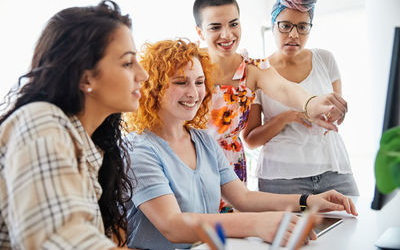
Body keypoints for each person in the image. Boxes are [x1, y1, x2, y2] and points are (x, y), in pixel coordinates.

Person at [124, 39, 357, 250]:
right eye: (181, 82)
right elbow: (172, 226)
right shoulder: (138, 149)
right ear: (152, 87)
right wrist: (255, 224)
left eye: (199, 81)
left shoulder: (203, 140)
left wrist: (307, 201)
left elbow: (243, 199)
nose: (194, 92)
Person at [0, 0, 148, 249]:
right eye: (127, 63)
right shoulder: (41, 122)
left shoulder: (89, 144)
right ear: (85, 77)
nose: (143, 75)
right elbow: (59, 238)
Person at [193, 0, 348, 212]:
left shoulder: (253, 69)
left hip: (230, 170)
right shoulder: (187, 65)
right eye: (215, 27)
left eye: (234, 24)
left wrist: (312, 104)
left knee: (229, 237)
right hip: (189, 163)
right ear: (199, 32)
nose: (227, 35)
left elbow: (284, 89)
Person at [242, 0, 359, 196]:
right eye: (285, 26)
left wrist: (337, 112)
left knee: (353, 223)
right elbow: (250, 139)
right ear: (273, 25)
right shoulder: (258, 71)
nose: (294, 35)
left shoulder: (325, 59)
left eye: (302, 27)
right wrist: (288, 117)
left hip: (334, 169)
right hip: (282, 177)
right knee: (291, 230)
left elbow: (333, 114)